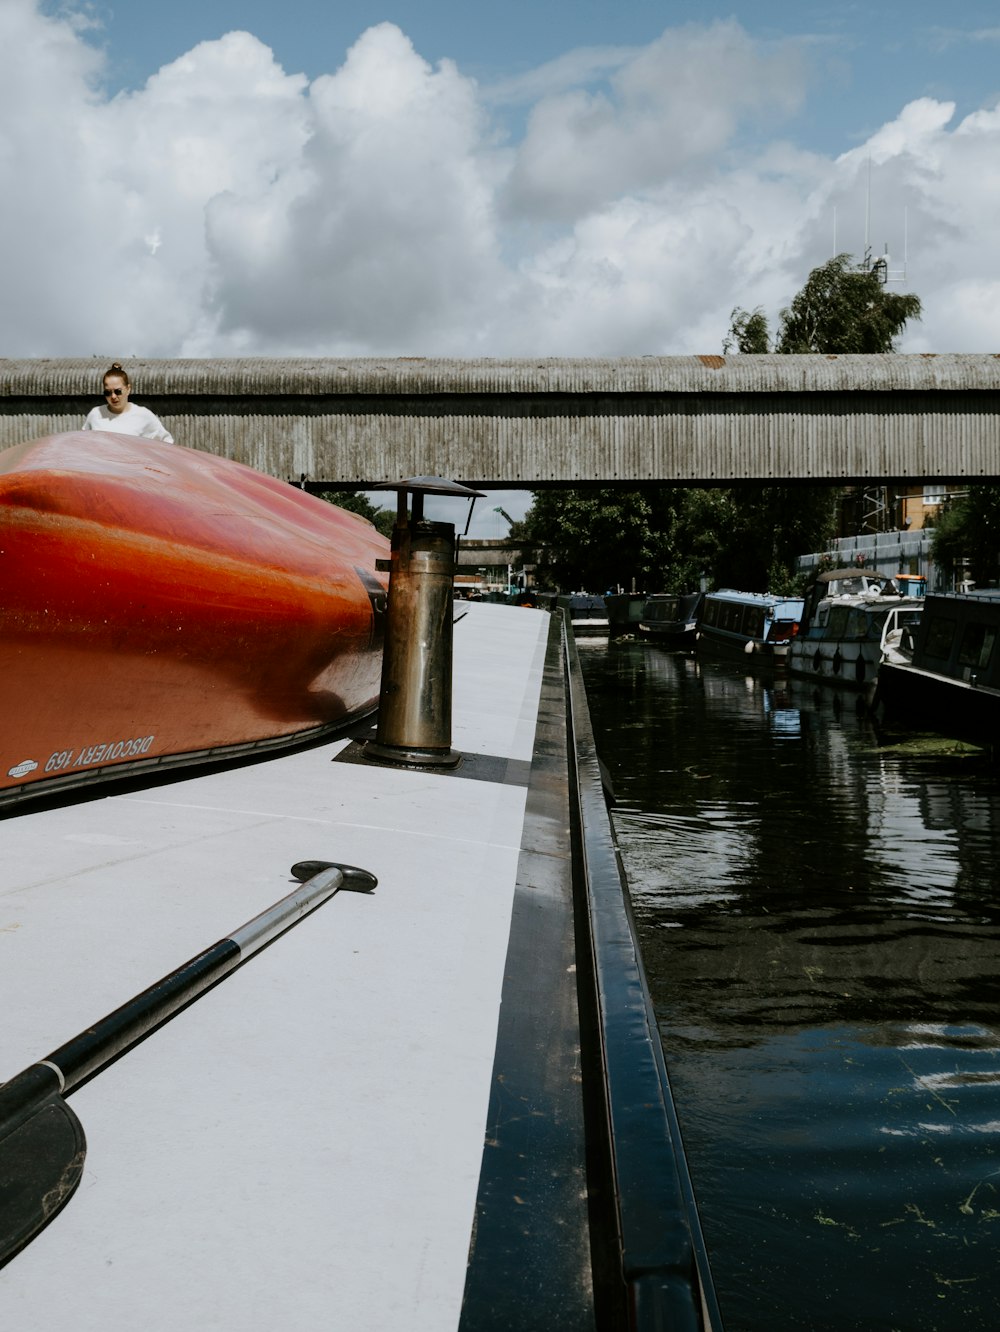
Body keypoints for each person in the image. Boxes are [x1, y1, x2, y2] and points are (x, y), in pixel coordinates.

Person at [83, 362, 174, 441]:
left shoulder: (143, 415)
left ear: (128, 389)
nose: (113, 396)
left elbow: (166, 442)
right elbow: (82, 444)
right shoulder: (95, 414)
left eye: (118, 391)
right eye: (108, 392)